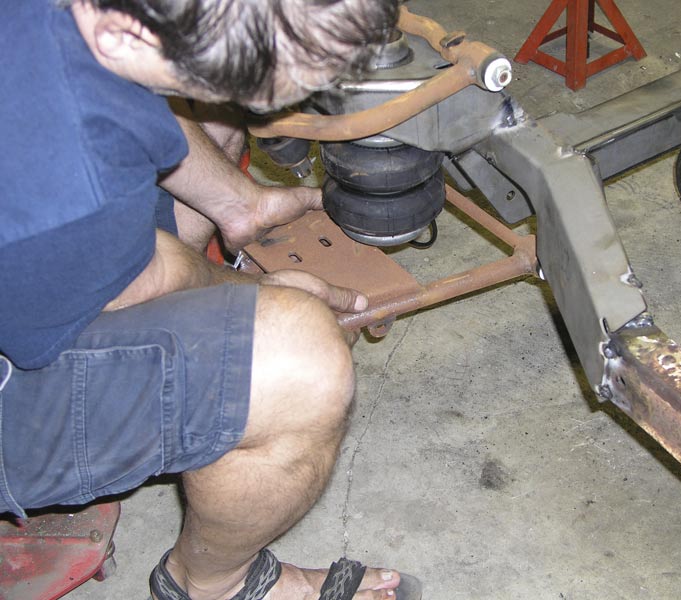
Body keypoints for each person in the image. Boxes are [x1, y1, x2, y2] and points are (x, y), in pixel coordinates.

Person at [0, 1, 422, 598]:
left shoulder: (73, 26)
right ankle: (213, 584)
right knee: (297, 358)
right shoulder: (59, 170)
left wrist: (240, 202)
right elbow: (146, 278)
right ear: (123, 33)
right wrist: (264, 294)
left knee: (210, 117)